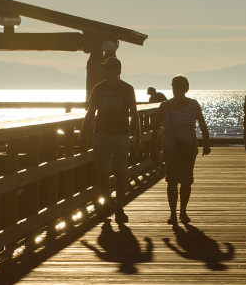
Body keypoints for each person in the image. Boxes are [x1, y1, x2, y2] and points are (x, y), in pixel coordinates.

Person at [80, 56, 141, 224]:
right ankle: (106, 204)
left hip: (121, 134)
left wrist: (138, 135)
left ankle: (119, 208)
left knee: (121, 172)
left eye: (109, 69)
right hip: (101, 134)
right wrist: (84, 132)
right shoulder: (98, 88)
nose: (106, 72)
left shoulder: (127, 89)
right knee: (104, 172)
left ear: (118, 71)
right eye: (105, 69)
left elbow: (134, 114)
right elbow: (91, 112)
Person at [155, 74, 210, 225]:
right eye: (174, 86)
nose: (176, 89)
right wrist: (154, 149)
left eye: (179, 86)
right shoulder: (165, 106)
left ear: (186, 88)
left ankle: (183, 212)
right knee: (172, 181)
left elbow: (202, 124)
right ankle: (173, 213)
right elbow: (156, 129)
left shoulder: (194, 105)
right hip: (170, 148)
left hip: (189, 147)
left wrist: (206, 143)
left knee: (186, 181)